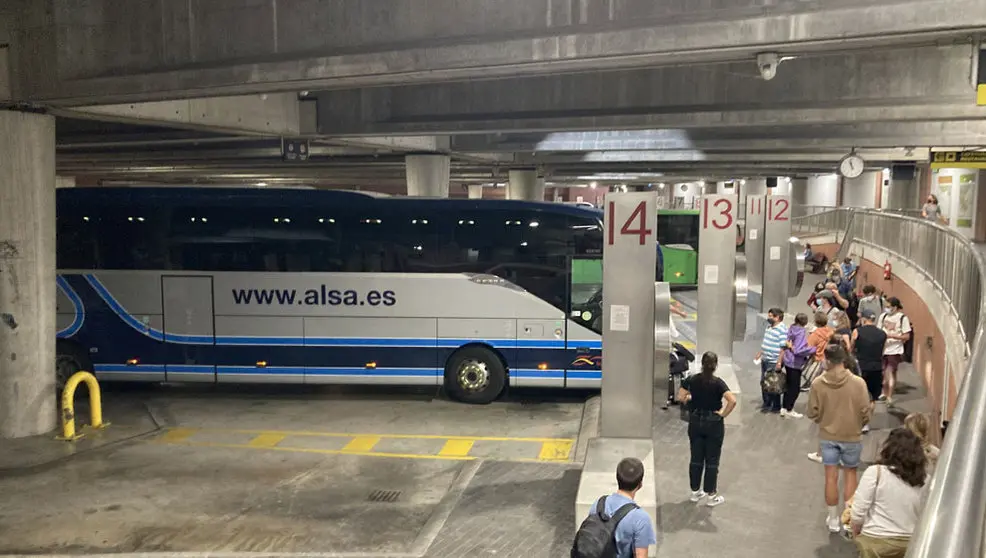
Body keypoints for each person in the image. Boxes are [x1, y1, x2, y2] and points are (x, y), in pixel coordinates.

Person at [806, 344, 872, 533]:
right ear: (844, 359)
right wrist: (859, 424)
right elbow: (865, 410)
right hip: (852, 435)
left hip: (828, 435)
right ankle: (847, 518)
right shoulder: (858, 383)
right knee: (851, 474)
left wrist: (822, 419)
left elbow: (812, 412)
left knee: (830, 477)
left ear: (827, 360)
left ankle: (833, 519)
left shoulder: (818, 383)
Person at [849, 428, 929, 557]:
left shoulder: (875, 473)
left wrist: (856, 530)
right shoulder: (925, 479)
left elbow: (858, 512)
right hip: (911, 542)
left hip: (876, 541)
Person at [677, 352, 737, 507]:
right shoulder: (718, 383)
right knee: (712, 460)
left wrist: (691, 398)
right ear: (715, 365)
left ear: (701, 364)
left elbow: (680, 397)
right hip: (714, 424)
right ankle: (711, 495)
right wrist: (723, 414)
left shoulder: (692, 380)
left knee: (696, 458)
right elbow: (732, 400)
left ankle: (695, 493)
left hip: (696, 422)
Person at [580, 457, 658, 558]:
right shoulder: (640, 518)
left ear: (617, 478)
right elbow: (641, 556)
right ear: (640, 484)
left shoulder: (599, 504)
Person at [852, 310, 888, 434]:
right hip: (876, 367)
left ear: (863, 319)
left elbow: (852, 348)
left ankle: (857, 420)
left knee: (859, 395)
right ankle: (866, 423)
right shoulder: (883, 334)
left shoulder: (857, 332)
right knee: (872, 398)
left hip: (861, 367)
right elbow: (883, 351)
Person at [779, 313, 814, 418]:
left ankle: (784, 407)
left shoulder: (791, 328)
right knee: (795, 388)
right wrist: (813, 349)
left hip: (788, 360)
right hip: (795, 363)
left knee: (788, 385)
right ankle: (789, 409)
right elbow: (798, 350)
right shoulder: (801, 332)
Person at [878, 297, 912, 406]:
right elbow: (878, 331)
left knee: (890, 371)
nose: (886, 309)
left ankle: (889, 396)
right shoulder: (883, 317)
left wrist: (892, 336)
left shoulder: (902, 318)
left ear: (895, 307)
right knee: (883, 372)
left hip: (895, 349)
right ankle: (884, 392)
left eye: (888, 307)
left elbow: (906, 336)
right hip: (883, 349)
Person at [756, 308, 788, 414]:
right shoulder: (769, 327)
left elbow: (783, 348)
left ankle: (775, 405)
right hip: (765, 358)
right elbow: (766, 341)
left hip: (774, 360)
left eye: (771, 316)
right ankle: (767, 403)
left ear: (777, 317)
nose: (769, 318)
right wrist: (760, 352)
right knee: (764, 382)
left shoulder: (782, 330)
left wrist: (779, 362)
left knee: (773, 383)